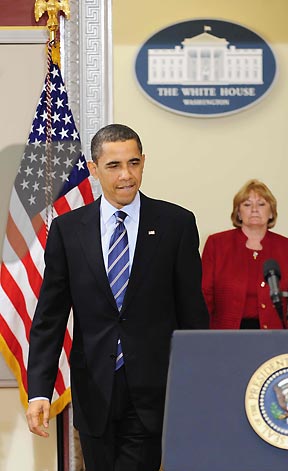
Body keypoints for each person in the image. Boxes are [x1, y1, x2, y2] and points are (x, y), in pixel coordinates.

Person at [26, 123, 209, 471]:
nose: (126, 175)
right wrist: (39, 391)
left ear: (143, 162)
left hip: (153, 393)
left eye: (134, 163)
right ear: (94, 169)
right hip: (93, 392)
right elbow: (50, 317)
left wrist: (197, 384)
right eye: (114, 166)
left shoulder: (176, 224)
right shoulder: (68, 231)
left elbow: (193, 316)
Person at [201, 179, 288, 330]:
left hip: (274, 339)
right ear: (238, 213)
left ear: (271, 211)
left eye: (261, 204)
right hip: (225, 337)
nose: (254, 209)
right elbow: (204, 296)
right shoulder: (217, 244)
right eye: (247, 204)